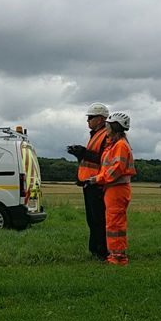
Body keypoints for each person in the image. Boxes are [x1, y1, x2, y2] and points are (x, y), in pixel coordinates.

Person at [86, 112, 136, 265]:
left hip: (117, 188)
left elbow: (116, 170)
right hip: (112, 188)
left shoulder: (120, 145)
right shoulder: (114, 144)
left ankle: (118, 257)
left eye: (108, 125)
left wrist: (97, 179)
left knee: (115, 224)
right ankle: (115, 255)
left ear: (114, 126)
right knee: (112, 222)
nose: (106, 128)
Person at [67, 103, 110, 261]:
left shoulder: (106, 134)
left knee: (98, 219)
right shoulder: (95, 134)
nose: (88, 121)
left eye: (90, 118)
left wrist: (84, 153)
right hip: (89, 183)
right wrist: (79, 154)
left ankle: (101, 252)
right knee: (92, 220)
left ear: (100, 119)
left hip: (98, 183)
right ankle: (94, 250)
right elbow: (91, 159)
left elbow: (104, 159)